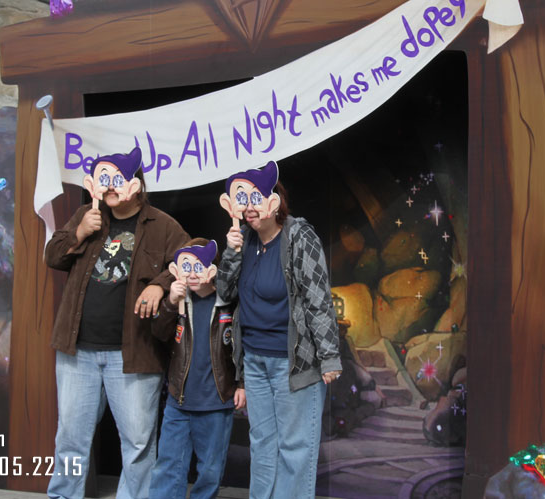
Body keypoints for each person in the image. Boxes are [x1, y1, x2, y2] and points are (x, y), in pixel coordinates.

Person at [44, 146, 189, 499]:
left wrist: (160, 285)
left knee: (138, 442)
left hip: (133, 356)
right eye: (103, 180)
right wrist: (79, 232)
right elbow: (52, 255)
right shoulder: (87, 214)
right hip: (77, 350)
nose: (109, 188)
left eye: (116, 180)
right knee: (71, 438)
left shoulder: (163, 225)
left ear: (135, 185)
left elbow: (189, 261)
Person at [216, 161, 342, 499]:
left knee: (295, 448)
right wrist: (231, 251)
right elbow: (224, 293)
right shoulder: (243, 239)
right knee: (262, 444)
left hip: (293, 362)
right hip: (255, 362)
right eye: (242, 199)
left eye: (255, 198)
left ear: (275, 200)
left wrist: (329, 356)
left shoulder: (299, 236)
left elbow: (318, 298)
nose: (249, 208)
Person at [148, 239, 246, 499]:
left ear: (211, 271)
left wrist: (241, 383)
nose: (191, 274)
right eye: (186, 267)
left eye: (198, 266)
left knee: (210, 471)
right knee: (169, 466)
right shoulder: (179, 300)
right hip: (178, 402)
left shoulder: (228, 302)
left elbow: (241, 344)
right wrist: (170, 301)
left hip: (216, 401)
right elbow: (159, 333)